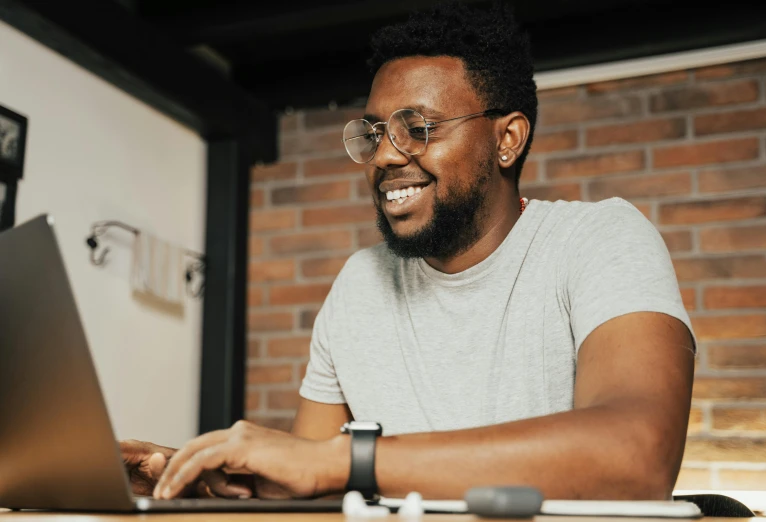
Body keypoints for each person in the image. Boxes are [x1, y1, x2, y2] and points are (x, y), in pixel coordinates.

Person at [123, 1, 695, 502]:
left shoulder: (598, 239)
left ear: (507, 139)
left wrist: (344, 462)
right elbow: (308, 486)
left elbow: (636, 457)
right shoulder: (360, 282)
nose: (386, 157)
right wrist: (206, 476)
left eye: (417, 128)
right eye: (374, 133)